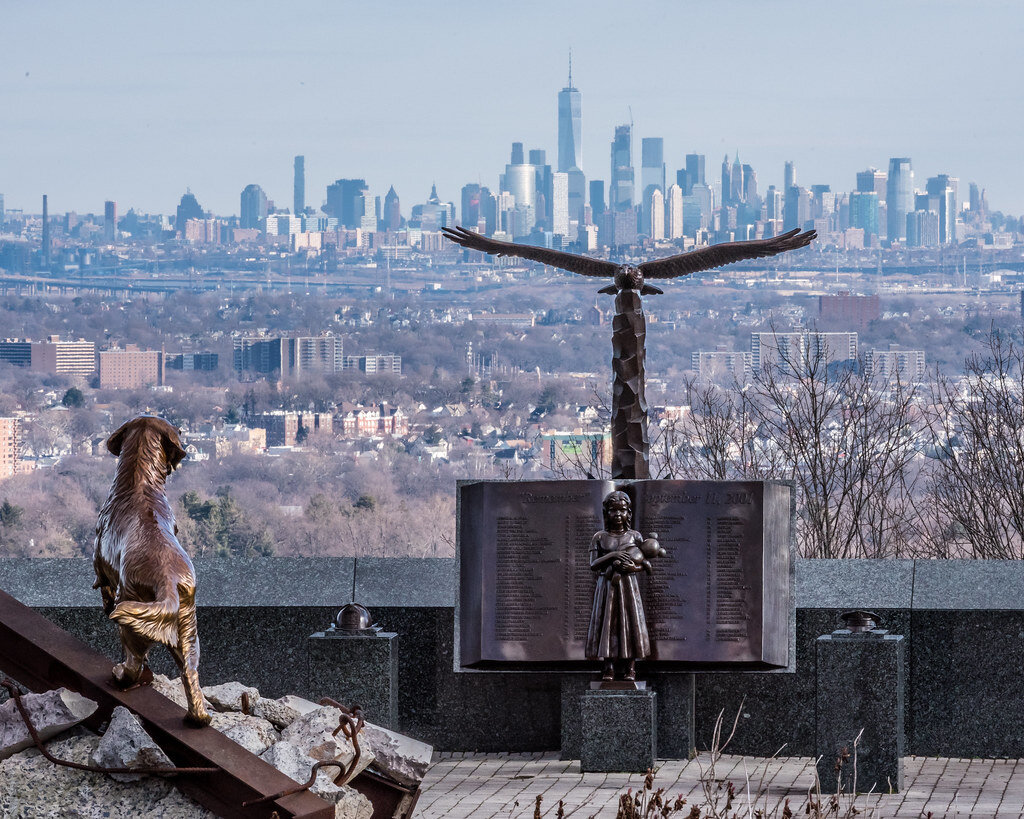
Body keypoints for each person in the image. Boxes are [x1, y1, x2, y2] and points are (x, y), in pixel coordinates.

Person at [585, 491, 663, 681]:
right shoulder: (599, 537)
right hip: (607, 588)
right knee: (607, 625)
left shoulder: (635, 536)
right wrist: (613, 555)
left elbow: (643, 563)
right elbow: (593, 565)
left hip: (628, 587)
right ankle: (608, 667)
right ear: (607, 513)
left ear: (628, 513)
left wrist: (633, 567)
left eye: (622, 511)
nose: (618, 515)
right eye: (613, 511)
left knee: (631, 624)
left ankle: (631, 668)